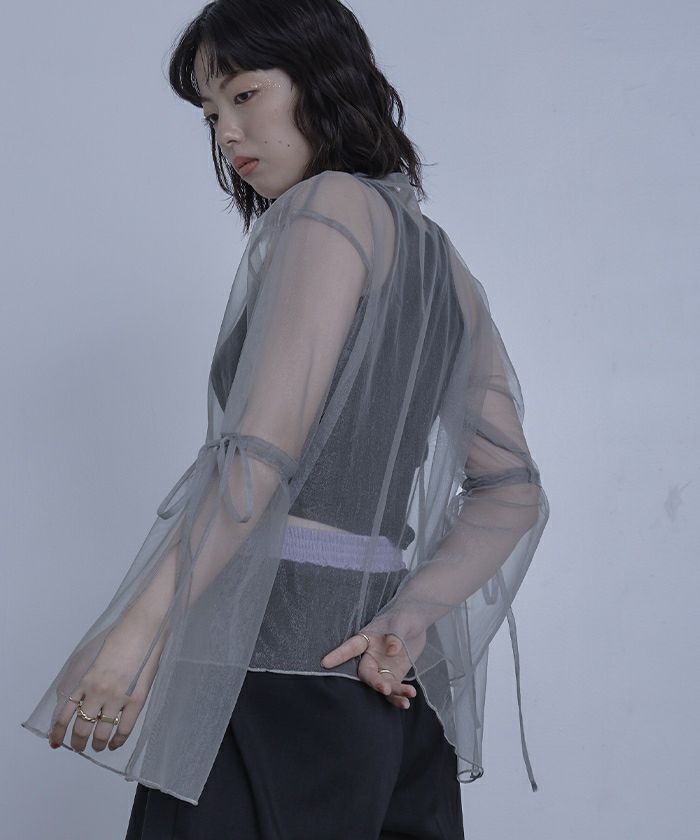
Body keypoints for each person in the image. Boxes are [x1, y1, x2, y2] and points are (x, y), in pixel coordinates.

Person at [20, 2, 550, 838]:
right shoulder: (440, 261)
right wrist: (408, 616)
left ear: (322, 81)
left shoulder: (324, 207)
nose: (227, 133)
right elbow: (512, 490)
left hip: (267, 670)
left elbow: (260, 455)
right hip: (381, 691)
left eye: (244, 95)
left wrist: (135, 632)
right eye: (210, 113)